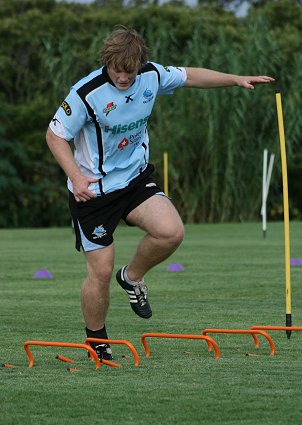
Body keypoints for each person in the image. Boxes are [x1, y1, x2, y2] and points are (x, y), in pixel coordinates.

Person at [46, 25, 274, 361]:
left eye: (130, 71)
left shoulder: (151, 76)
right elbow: (55, 136)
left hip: (135, 180)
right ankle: (97, 343)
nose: (123, 77)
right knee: (100, 271)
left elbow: (191, 76)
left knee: (171, 232)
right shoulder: (85, 93)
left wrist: (235, 78)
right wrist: (76, 177)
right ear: (107, 63)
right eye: (117, 70)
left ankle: (133, 276)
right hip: (93, 191)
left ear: (140, 63)